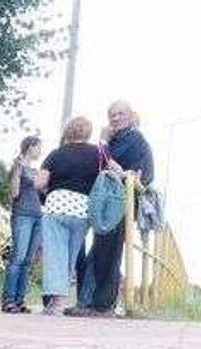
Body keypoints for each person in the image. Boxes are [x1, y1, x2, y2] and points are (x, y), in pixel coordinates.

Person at [71, 100, 155, 317]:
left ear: (130, 115)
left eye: (119, 114)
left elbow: (143, 174)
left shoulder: (136, 141)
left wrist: (125, 172)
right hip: (104, 203)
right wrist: (103, 141)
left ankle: (102, 305)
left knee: (110, 250)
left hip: (121, 203)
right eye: (111, 115)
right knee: (99, 249)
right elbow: (98, 163)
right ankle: (86, 300)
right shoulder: (113, 140)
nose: (115, 118)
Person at [37, 116, 102, 315]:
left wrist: (49, 187)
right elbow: (112, 173)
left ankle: (57, 303)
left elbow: (39, 184)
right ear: (88, 132)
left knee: (56, 255)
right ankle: (56, 301)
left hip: (56, 206)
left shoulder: (56, 154)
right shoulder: (99, 153)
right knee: (70, 257)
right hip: (83, 210)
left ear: (68, 131)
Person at [1, 136, 43, 313]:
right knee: (18, 257)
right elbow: (14, 192)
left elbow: (42, 192)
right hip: (22, 215)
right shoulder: (18, 166)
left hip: (37, 215)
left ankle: (19, 300)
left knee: (27, 260)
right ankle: (8, 299)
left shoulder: (36, 170)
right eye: (38, 147)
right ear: (30, 147)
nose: (40, 151)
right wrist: (17, 169)